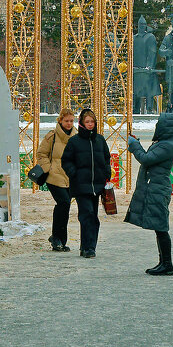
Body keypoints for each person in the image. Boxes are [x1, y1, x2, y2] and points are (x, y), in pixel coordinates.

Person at [126, 113, 173, 276]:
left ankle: (167, 264)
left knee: (161, 227)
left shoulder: (167, 145)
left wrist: (135, 145)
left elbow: (146, 159)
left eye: (159, 123)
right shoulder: (165, 143)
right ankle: (163, 262)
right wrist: (138, 144)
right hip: (156, 187)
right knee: (159, 227)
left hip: (158, 188)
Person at [61, 108, 112, 258]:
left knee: (93, 216)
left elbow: (106, 158)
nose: (90, 124)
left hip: (97, 185)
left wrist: (106, 173)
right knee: (87, 214)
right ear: (82, 123)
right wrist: (73, 173)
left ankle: (87, 246)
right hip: (81, 185)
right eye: (87, 122)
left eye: (92, 122)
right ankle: (89, 248)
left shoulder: (100, 140)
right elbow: (66, 160)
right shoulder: (74, 141)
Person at [35, 107, 77, 252]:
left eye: (71, 121)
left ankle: (60, 240)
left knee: (64, 207)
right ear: (60, 120)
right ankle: (57, 238)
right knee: (63, 202)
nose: (69, 124)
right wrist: (48, 169)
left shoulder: (77, 136)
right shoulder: (51, 136)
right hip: (54, 177)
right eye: (66, 121)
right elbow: (41, 154)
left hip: (69, 177)